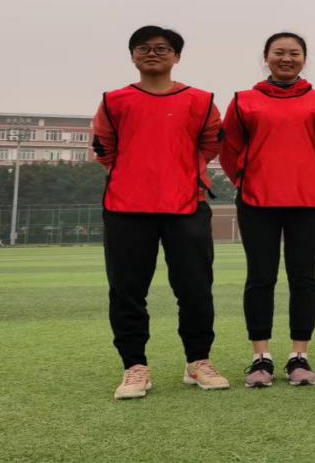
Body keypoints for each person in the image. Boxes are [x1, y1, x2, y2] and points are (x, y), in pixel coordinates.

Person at [92, 25, 228, 400]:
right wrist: (137, 173)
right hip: (126, 207)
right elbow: (104, 149)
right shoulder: (114, 101)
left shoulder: (201, 100)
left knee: (195, 288)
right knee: (127, 291)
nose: (152, 53)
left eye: (162, 48)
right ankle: (135, 366)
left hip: (187, 206)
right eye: (144, 48)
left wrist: (180, 173)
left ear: (177, 56)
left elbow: (211, 145)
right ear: (133, 56)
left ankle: (198, 361)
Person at [220, 31, 315, 387]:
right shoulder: (243, 100)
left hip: (309, 201)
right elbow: (229, 150)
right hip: (257, 201)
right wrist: (249, 181)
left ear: (304, 58)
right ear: (266, 57)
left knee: (304, 277)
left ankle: (299, 356)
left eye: (294, 53)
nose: (286, 59)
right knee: (260, 277)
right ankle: (261, 358)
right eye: (279, 52)